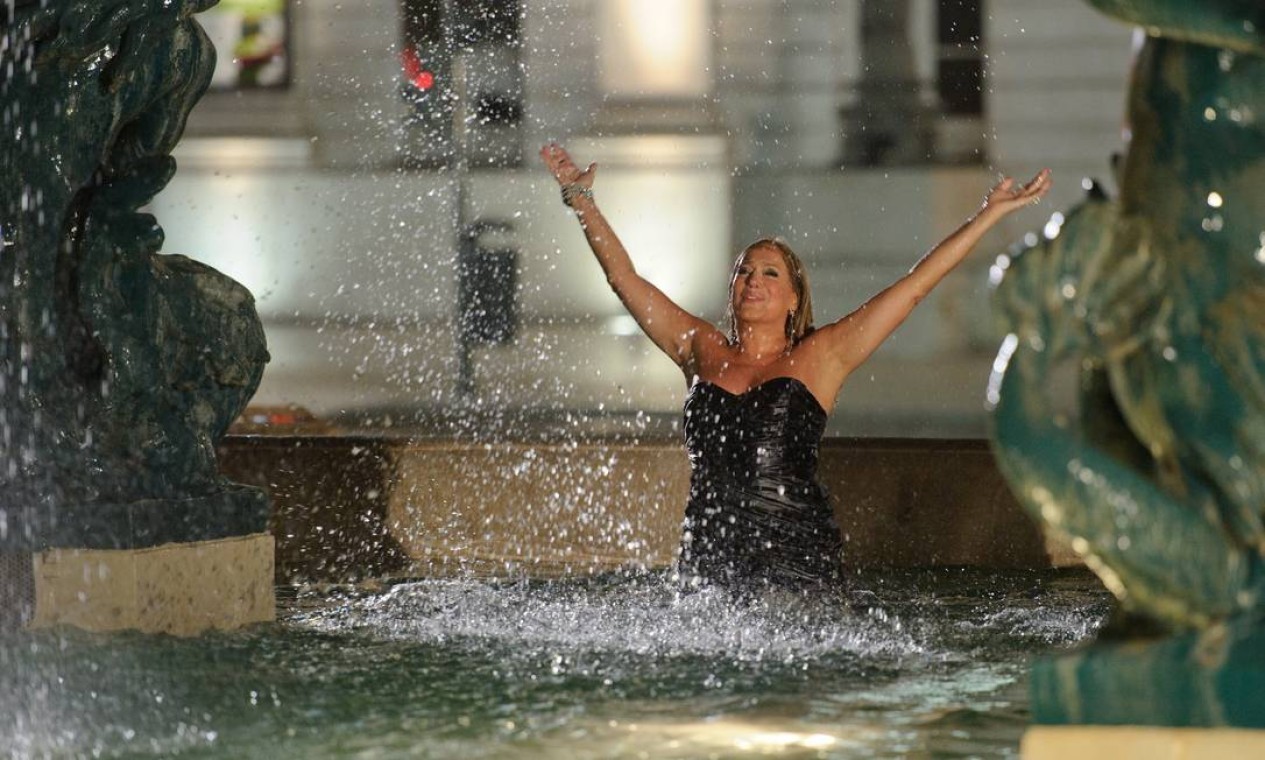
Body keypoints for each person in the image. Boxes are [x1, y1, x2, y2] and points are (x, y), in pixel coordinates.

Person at [540, 143, 1051, 591]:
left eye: (769, 273)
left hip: (797, 565)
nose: (753, 281)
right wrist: (581, 198)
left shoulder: (820, 355)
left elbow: (915, 287)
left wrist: (987, 215)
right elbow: (624, 279)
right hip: (710, 562)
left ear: (793, 297)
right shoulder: (699, 347)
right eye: (744, 271)